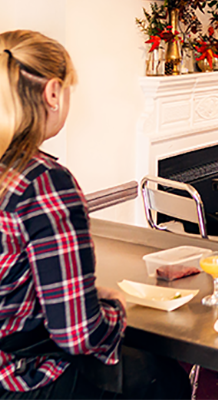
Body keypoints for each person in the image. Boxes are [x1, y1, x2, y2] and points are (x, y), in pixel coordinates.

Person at [0, 30, 190, 399]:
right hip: (27, 382)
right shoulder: (44, 183)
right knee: (165, 378)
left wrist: (83, 297)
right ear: (53, 92)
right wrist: (113, 308)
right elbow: (77, 334)